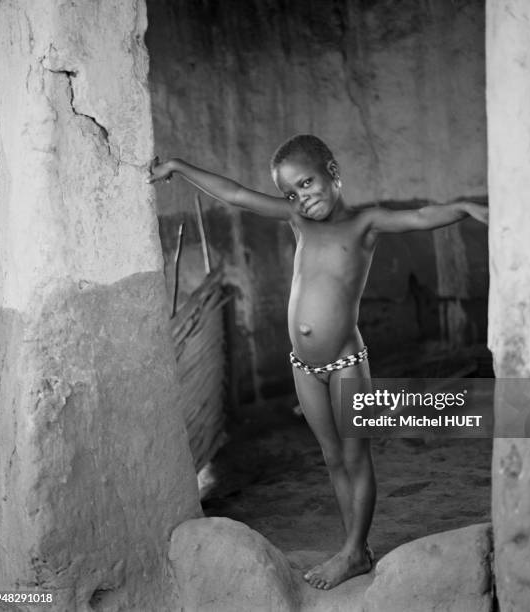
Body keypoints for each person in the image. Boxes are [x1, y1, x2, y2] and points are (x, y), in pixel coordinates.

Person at [147, 134, 488, 590]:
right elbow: (235, 193)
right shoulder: (298, 221)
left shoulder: (365, 223)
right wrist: (179, 166)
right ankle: (356, 549)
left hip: (346, 361)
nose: (301, 198)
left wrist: (466, 207)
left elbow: (422, 216)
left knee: (355, 453)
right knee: (331, 457)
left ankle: (352, 549)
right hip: (303, 367)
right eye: (291, 192)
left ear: (332, 172)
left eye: (307, 183)